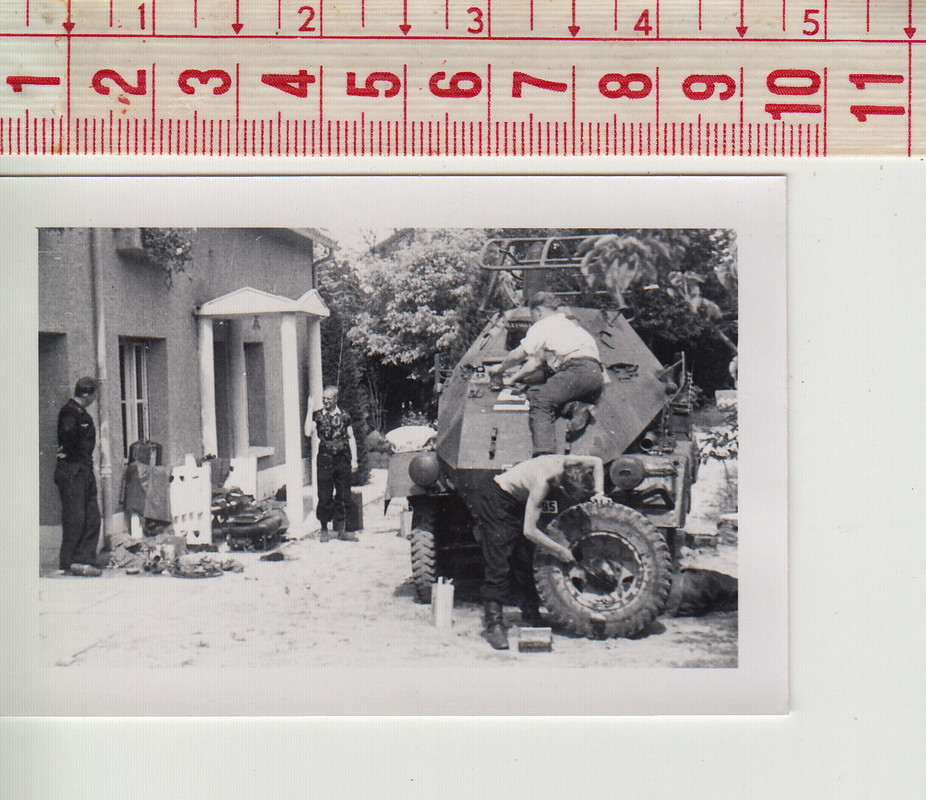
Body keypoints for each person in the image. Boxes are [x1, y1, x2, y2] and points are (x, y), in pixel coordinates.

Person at [469, 454, 608, 650]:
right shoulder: (542, 482)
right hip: (496, 499)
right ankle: (494, 625)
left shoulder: (569, 462)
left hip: (518, 500)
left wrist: (599, 492)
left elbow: (597, 461)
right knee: (499, 562)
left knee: (527, 557)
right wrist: (560, 550)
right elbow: (529, 530)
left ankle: (531, 613)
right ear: (561, 485)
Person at [488, 292, 604, 456]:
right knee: (535, 392)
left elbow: (519, 354)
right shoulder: (569, 327)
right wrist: (512, 379)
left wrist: (500, 369)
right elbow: (535, 362)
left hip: (575, 370)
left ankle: (544, 455)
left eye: (532, 314)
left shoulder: (543, 325)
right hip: (594, 375)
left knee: (541, 402)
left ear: (538, 311)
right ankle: (577, 410)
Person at [55, 376, 103, 576]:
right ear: (86, 393)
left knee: (92, 517)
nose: (94, 399)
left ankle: (84, 559)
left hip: (83, 468)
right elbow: (68, 437)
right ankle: (68, 563)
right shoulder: (70, 412)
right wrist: (71, 455)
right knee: (75, 518)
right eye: (93, 395)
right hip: (73, 469)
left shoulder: (81, 413)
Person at [305, 386, 359, 542]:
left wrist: (354, 459)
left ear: (336, 399)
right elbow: (308, 432)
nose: (325, 401)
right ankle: (324, 529)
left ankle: (342, 530)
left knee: (343, 494)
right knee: (324, 494)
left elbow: (351, 437)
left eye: (328, 399)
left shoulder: (345, 416)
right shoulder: (318, 416)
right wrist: (309, 409)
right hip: (325, 459)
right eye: (323, 399)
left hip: (342, 458)